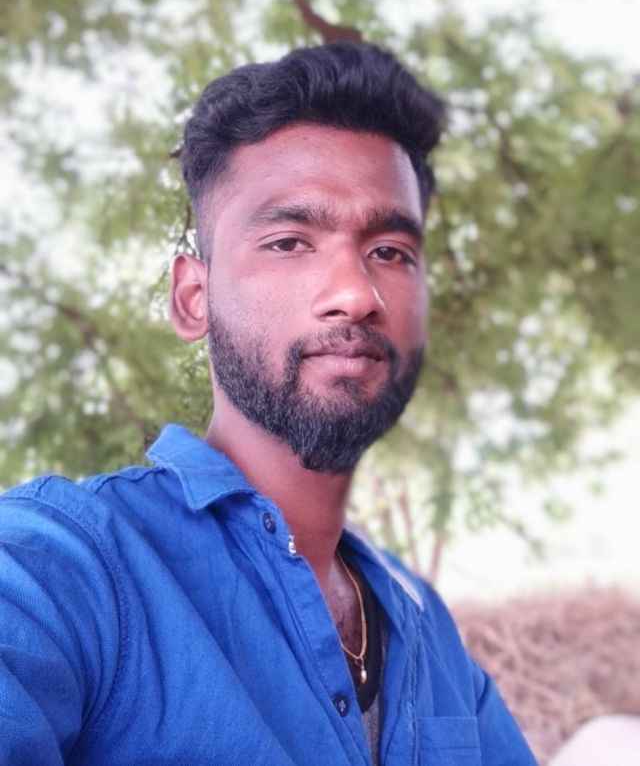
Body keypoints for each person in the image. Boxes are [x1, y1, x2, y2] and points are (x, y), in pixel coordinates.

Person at [0, 42, 537, 765]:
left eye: (390, 251)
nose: (355, 294)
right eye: (289, 242)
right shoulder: (69, 564)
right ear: (194, 298)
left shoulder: (426, 623)